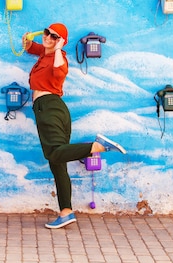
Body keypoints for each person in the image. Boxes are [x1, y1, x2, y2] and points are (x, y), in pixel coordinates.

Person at [23, 23, 127, 229]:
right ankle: (66, 212)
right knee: (58, 163)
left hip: (48, 109)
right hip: (54, 110)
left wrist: (60, 47)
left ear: (61, 42)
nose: (48, 38)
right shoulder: (45, 53)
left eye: (54, 37)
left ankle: (97, 146)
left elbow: (59, 71)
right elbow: (30, 47)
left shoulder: (60, 60)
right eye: (47, 33)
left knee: (53, 154)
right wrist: (28, 41)